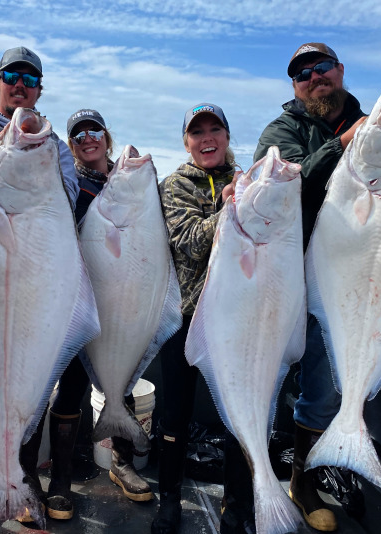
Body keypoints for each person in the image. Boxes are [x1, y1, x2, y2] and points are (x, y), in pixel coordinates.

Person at [0, 46, 79, 531]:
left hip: (32, 279)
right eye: (11, 75)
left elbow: (64, 201)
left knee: (31, 381)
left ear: (39, 89)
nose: (19, 83)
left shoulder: (57, 147)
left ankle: (22, 478)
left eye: (29, 77)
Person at [253, 42, 367, 532]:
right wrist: (343, 145)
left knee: (320, 386)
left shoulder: (371, 124)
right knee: (261, 376)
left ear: (340, 71)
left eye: (322, 68)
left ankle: (301, 481)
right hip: (283, 276)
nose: (314, 77)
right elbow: (287, 184)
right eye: (303, 73)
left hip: (344, 279)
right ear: (294, 85)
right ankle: (250, 480)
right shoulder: (283, 130)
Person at [44, 109, 154, 522]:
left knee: (121, 383)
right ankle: (60, 478)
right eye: (77, 135)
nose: (87, 138)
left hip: (123, 299)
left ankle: (121, 463)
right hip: (78, 301)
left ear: (106, 137)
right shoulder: (67, 183)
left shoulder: (131, 181)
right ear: (71, 146)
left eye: (94, 131)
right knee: (70, 388)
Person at [153, 104, 255, 534]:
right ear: (187, 142)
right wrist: (228, 207)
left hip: (236, 320)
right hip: (185, 318)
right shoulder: (174, 185)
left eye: (215, 129)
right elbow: (189, 242)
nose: (207, 137)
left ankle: (238, 508)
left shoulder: (251, 182)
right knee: (173, 415)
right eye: (197, 132)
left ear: (228, 137)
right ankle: (169, 500)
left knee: (238, 417)